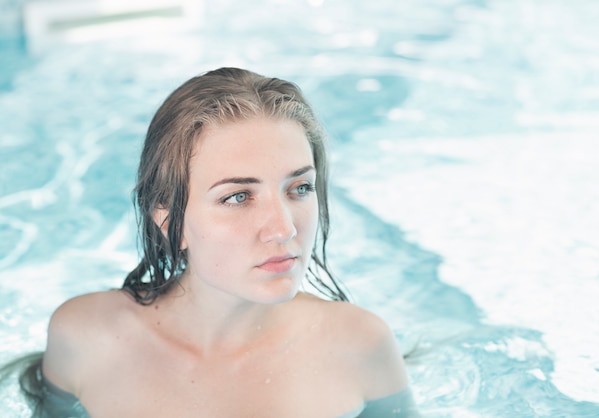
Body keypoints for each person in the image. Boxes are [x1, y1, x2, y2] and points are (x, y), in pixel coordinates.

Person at [1, 67, 417, 417]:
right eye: (238, 197)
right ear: (169, 221)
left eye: (300, 188)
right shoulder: (85, 337)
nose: (283, 228)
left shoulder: (360, 345)